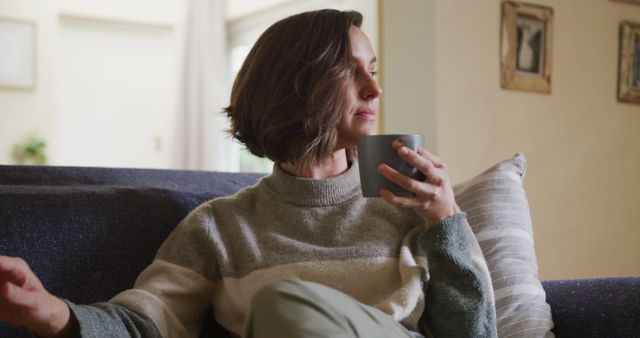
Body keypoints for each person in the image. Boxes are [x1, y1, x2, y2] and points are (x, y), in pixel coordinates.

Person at [0, 9, 496, 338]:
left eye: (374, 68)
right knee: (286, 308)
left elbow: (476, 333)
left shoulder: (414, 210)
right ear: (297, 86)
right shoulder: (220, 227)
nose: (374, 89)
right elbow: (144, 323)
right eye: (351, 70)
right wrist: (51, 312)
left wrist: (444, 222)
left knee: (286, 305)